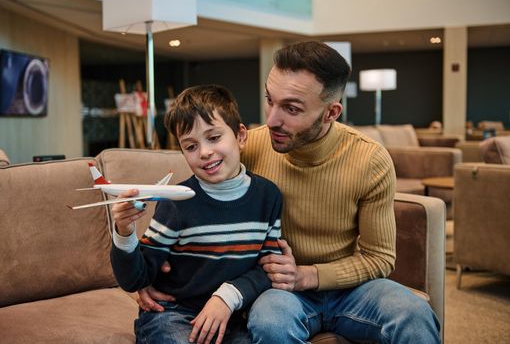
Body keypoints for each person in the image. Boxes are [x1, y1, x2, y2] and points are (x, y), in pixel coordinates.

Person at [137, 41, 441, 343]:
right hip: (278, 290)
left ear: (331, 112)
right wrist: (151, 272)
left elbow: (379, 258)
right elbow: (194, 200)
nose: (271, 120)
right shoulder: (250, 145)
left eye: (291, 109)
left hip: (352, 290)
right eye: (270, 100)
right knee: (271, 323)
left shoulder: (370, 160)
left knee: (414, 314)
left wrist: (308, 275)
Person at [110, 85, 282, 344]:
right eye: (190, 146)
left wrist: (227, 298)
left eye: (214, 138)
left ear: (241, 136)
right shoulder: (176, 203)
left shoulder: (268, 197)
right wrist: (124, 233)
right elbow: (136, 278)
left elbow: (268, 269)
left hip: (232, 313)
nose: (204, 152)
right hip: (173, 314)